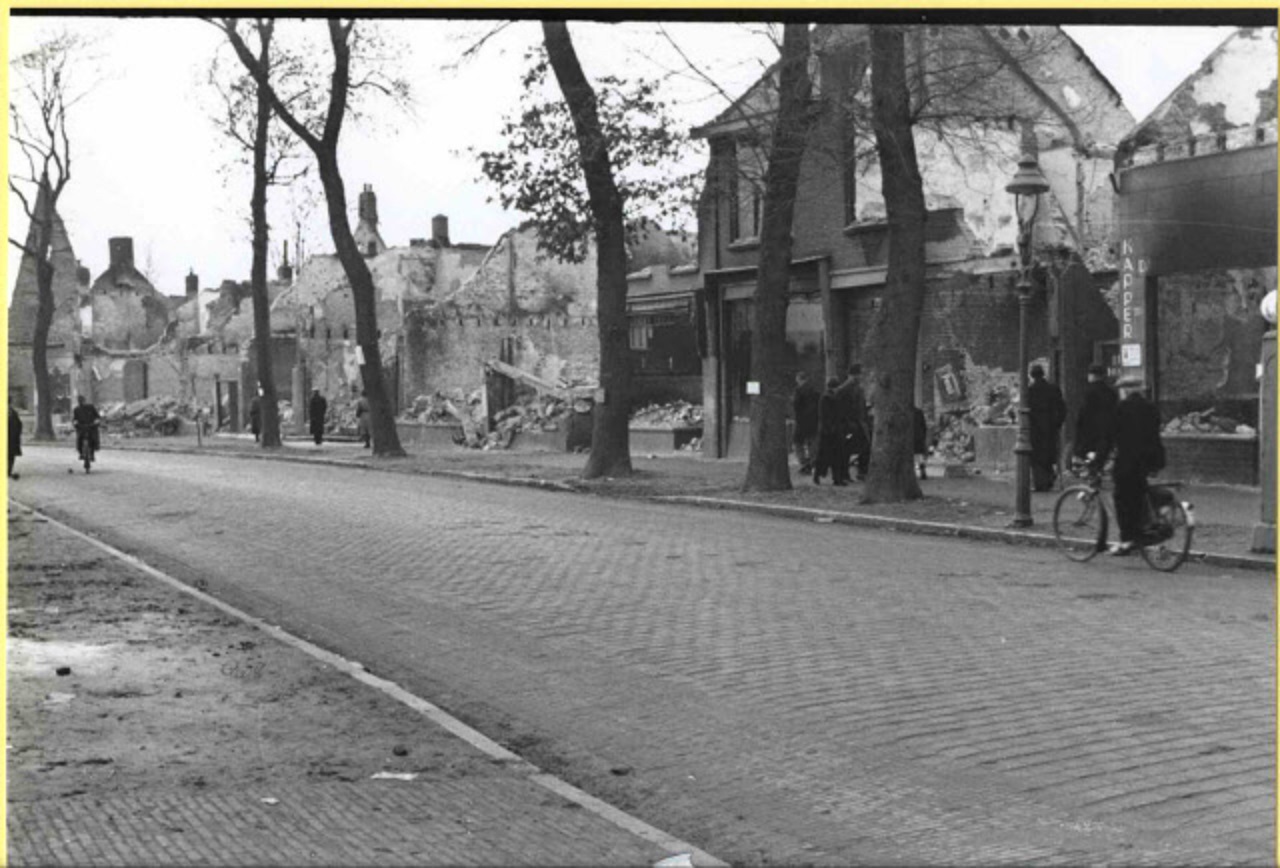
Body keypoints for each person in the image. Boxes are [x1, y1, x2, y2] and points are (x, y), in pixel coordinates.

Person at [1109, 376, 1166, 556]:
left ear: (1125, 390)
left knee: (1121, 498)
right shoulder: (1151, 408)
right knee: (1139, 492)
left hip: (1129, 460)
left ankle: (1127, 540)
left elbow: (1111, 437)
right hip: (1152, 458)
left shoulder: (1121, 408)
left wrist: (1099, 459)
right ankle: (1148, 524)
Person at [1027, 364, 1067, 492]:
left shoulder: (1030, 391)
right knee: (1049, 454)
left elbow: (1027, 411)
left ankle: (1041, 483)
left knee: (1036, 457)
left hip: (1035, 429)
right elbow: (1062, 409)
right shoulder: (1053, 389)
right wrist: (1057, 424)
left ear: (1032, 376)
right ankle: (1049, 477)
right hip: (1050, 427)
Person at [1073, 363, 1118, 471]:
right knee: (1103, 457)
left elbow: (1084, 413)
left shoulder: (1089, 392)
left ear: (1092, 376)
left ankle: (1091, 473)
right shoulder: (1111, 393)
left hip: (1091, 432)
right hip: (1108, 431)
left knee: (1087, 459)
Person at [835, 364, 870, 482]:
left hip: (857, 423)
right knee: (847, 449)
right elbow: (842, 409)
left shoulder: (856, 388)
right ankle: (846, 473)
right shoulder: (845, 389)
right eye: (860, 374)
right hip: (850, 424)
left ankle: (860, 471)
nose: (861, 377)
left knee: (863, 447)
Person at [813, 377, 849, 486]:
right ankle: (835, 478)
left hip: (829, 431)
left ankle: (823, 475)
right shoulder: (828, 398)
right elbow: (827, 416)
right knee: (833, 455)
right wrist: (832, 428)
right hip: (830, 431)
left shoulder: (827, 397)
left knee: (827, 455)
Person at [791, 372, 819, 475]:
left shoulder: (798, 391)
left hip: (801, 421)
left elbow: (796, 405)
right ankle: (813, 462)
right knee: (812, 443)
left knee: (797, 443)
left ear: (798, 379)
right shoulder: (815, 391)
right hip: (813, 421)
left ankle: (804, 463)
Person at [72, 395, 101, 461]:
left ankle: (93, 453)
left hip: (91, 426)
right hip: (81, 427)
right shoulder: (76, 409)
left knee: (94, 438)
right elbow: (75, 419)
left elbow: (97, 416)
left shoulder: (91, 407)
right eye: (80, 401)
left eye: (82, 401)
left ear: (84, 401)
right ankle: (81, 452)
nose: (81, 402)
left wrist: (96, 422)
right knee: (79, 439)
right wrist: (75, 423)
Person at [912, 405, 929, 481]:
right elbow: (924, 426)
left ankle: (918, 472)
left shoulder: (905, 413)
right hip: (918, 436)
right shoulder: (919, 412)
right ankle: (922, 471)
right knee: (919, 456)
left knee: (913, 455)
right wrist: (923, 436)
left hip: (910, 436)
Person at [8, 404, 22, 479]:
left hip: (11, 438)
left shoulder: (13, 413)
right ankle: (8, 471)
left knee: (10, 456)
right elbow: (19, 425)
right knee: (10, 456)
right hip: (12, 439)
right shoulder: (13, 412)